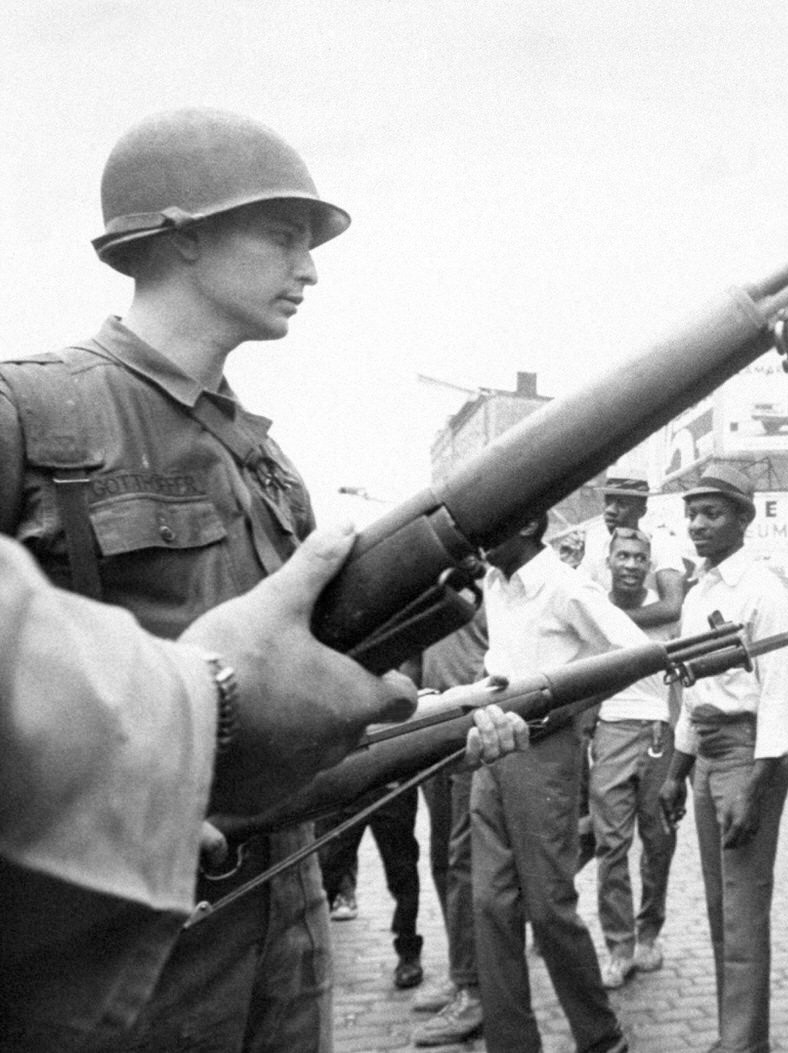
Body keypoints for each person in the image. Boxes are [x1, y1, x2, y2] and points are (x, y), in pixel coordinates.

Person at [0, 107, 364, 1051]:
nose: (311, 267)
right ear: (186, 236)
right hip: (117, 959)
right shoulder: (31, 415)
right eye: (284, 235)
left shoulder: (269, 463)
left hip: (285, 926)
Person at [0, 525, 529, 1051]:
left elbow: (320, 688)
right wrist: (210, 705)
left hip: (291, 914)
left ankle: (408, 949)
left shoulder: (272, 471)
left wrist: (445, 719)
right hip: (141, 937)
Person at [471, 515, 641, 1053]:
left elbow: (634, 652)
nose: (480, 533)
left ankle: (601, 1037)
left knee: (547, 908)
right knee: (491, 905)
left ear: (527, 523)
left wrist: (569, 708)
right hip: (492, 748)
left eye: (491, 519)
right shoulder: (495, 583)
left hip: (544, 755)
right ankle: (512, 1044)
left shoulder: (565, 586)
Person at [658, 463, 788, 1053]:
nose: (698, 524)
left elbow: (779, 690)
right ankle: (736, 1036)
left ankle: (743, 1044)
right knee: (721, 910)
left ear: (744, 518)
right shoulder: (698, 594)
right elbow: (693, 692)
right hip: (709, 756)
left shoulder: (764, 588)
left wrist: (757, 784)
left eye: (712, 512)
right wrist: (675, 772)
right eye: (692, 513)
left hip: (750, 758)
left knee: (744, 910)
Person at [588, 527, 679, 989]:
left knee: (659, 840)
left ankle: (649, 933)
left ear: (648, 563)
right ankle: (618, 947)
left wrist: (679, 735)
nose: (629, 564)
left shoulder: (663, 611)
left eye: (638, 557)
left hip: (660, 729)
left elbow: (681, 679)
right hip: (611, 729)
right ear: (609, 560)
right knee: (611, 845)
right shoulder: (592, 607)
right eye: (621, 555)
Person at [410, 610, 492, 1047]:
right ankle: (462, 973)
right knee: (443, 857)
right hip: (431, 722)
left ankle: (474, 989)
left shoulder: (492, 582)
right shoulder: (435, 576)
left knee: (464, 859)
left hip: (470, 727)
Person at [316, 780, 425, 987]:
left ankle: (408, 950)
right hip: (345, 781)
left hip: (394, 777)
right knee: (327, 869)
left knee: (402, 869)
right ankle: (312, 952)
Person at [578, 475, 687, 628]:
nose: (610, 510)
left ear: (641, 511)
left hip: (654, 640)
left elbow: (672, 607)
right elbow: (579, 599)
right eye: (608, 502)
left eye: (621, 504)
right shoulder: (597, 546)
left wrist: (609, 621)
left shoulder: (660, 542)